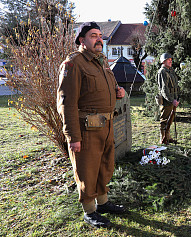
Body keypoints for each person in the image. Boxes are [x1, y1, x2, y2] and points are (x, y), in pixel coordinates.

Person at [57, 22, 127, 228]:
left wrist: (118, 91)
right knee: (87, 170)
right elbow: (66, 103)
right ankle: (90, 211)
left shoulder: (102, 61)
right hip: (86, 129)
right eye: (93, 36)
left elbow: (110, 85)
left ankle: (103, 203)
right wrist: (73, 137)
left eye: (100, 36)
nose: (99, 39)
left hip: (105, 126)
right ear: (82, 40)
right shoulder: (73, 64)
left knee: (104, 166)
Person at [156, 53, 180, 144]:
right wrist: (171, 100)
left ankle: (168, 136)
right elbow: (164, 89)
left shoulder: (170, 71)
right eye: (168, 60)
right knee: (165, 120)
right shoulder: (162, 71)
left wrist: (176, 98)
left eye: (171, 59)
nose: (171, 61)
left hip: (173, 99)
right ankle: (163, 138)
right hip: (167, 100)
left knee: (170, 119)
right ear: (163, 61)